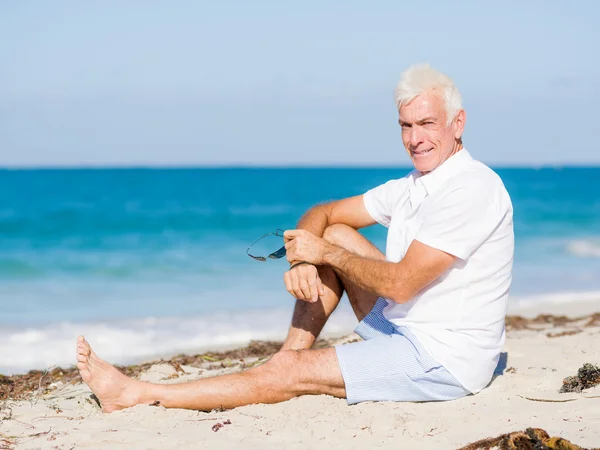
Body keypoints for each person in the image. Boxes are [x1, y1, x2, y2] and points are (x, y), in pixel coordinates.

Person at [76, 64, 514, 413]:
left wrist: (322, 252)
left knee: (323, 274)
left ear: (458, 123)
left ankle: (136, 394)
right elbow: (324, 213)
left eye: (427, 123)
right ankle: (287, 362)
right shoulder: (414, 184)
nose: (415, 139)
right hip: (406, 330)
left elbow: (402, 284)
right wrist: (304, 259)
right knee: (339, 232)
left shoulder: (470, 187)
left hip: (443, 359)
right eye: (405, 125)